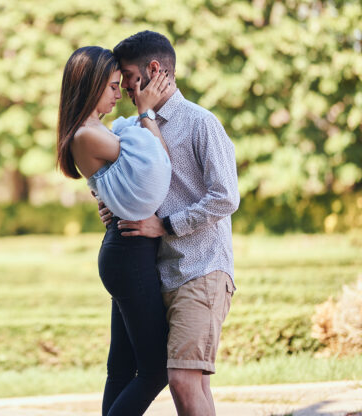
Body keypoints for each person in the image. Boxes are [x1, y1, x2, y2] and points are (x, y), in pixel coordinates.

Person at [99, 31, 240, 416]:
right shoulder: (130, 127)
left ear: (154, 70)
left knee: (180, 379)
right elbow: (127, 183)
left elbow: (226, 196)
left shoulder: (201, 123)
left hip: (202, 269)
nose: (123, 86)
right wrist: (112, 204)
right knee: (194, 384)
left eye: (127, 76)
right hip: (159, 272)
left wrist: (167, 225)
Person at [57, 46, 175, 416]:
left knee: (122, 369)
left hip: (125, 249)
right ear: (90, 87)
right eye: (111, 86)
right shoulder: (87, 134)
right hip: (128, 254)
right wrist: (146, 113)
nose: (118, 92)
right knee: (155, 371)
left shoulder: (94, 131)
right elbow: (157, 162)